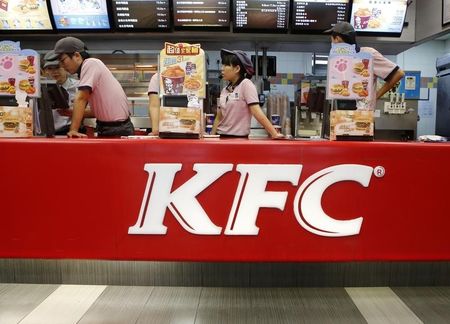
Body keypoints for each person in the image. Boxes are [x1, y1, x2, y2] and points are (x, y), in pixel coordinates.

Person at [53, 36, 134, 138]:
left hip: (118, 129)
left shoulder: (90, 63)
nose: (62, 65)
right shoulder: (87, 70)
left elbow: (81, 98)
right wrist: (70, 112)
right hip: (108, 127)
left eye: (63, 60)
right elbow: (96, 112)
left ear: (77, 56)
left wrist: (73, 130)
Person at [324, 22, 405, 109]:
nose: (331, 42)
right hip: (339, 114)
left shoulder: (369, 54)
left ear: (337, 39)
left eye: (331, 39)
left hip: (362, 115)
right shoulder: (339, 59)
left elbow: (399, 73)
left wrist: (375, 96)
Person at [212, 49, 283, 139]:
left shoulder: (246, 84)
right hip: (221, 138)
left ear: (237, 69)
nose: (222, 68)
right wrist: (211, 137)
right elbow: (219, 117)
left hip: (239, 140)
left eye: (226, 65)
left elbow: (256, 111)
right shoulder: (224, 90)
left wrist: (274, 133)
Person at [43, 50, 84, 135]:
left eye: (57, 67)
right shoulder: (41, 89)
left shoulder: (80, 86)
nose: (54, 71)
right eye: (50, 68)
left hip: (71, 132)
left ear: (65, 68)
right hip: (46, 134)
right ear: (45, 71)